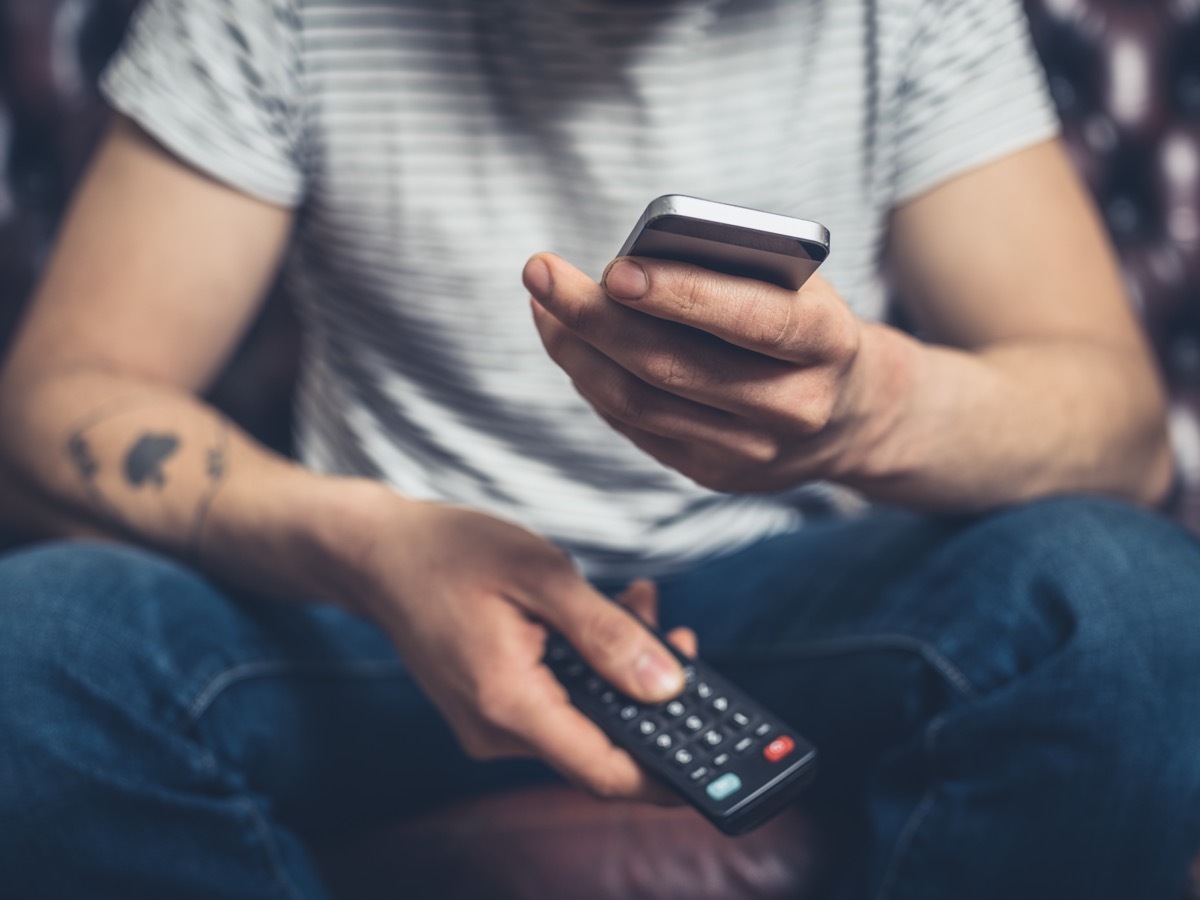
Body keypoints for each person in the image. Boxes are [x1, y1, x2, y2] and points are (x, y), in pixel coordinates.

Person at [1, 0, 1199, 897]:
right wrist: (369, 544)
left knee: (1122, 600)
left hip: (775, 603)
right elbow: (64, 396)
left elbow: (1125, 435)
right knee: (37, 643)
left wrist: (871, 413)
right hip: (377, 605)